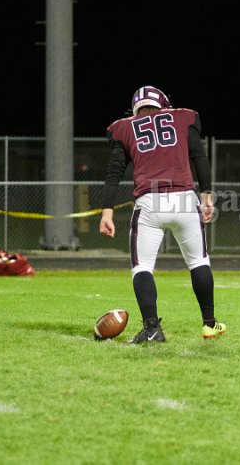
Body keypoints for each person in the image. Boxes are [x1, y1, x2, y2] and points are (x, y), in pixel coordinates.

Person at [99, 85, 224, 343]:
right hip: (184, 199)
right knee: (199, 262)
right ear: (163, 104)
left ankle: (152, 329)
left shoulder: (124, 127)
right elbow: (199, 157)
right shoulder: (182, 117)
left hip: (150, 202)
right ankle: (210, 325)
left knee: (142, 267)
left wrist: (107, 211)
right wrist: (207, 196)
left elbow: (114, 172)